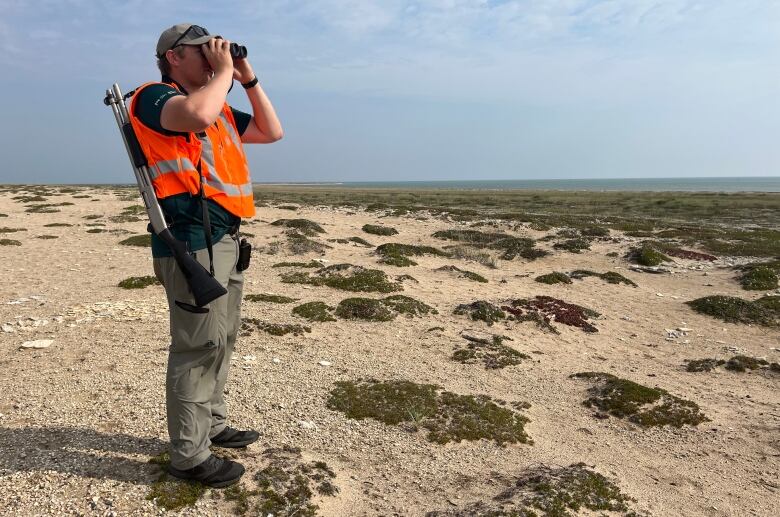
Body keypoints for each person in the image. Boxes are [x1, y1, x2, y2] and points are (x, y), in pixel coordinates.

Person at [128, 23, 283, 488]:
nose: (214, 58)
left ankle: (211, 425)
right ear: (173, 57)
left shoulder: (216, 105)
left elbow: (271, 131)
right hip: (190, 242)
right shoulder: (154, 97)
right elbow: (193, 115)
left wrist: (247, 76)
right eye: (203, 52)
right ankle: (189, 456)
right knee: (198, 347)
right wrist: (223, 74)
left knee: (223, 339)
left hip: (226, 241)